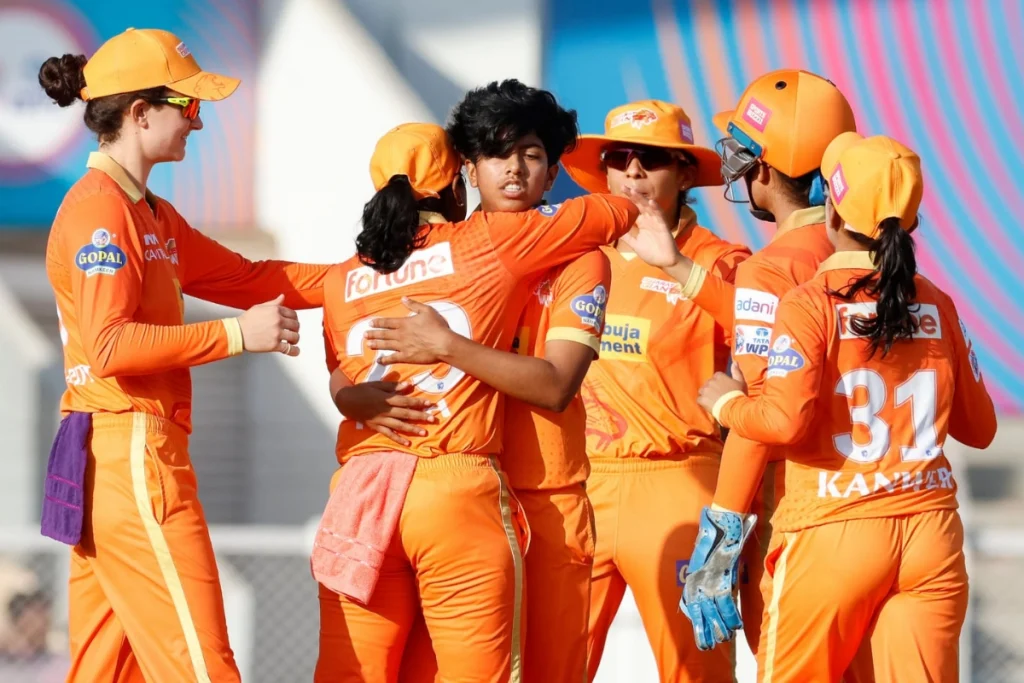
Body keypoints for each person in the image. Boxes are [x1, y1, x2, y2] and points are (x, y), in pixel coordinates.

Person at [38, 28, 331, 682]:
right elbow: (110, 345)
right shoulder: (103, 211)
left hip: (115, 454)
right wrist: (237, 336)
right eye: (189, 105)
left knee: (107, 674)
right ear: (142, 113)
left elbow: (251, 278)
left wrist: (368, 278)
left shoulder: (148, 213)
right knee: (203, 669)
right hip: (129, 453)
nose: (198, 121)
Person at [314, 117, 644, 683]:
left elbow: (342, 367)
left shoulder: (345, 274)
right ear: (463, 175)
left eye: (529, 154)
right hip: (462, 487)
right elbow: (616, 211)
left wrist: (349, 396)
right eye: (495, 155)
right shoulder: (482, 242)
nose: (512, 169)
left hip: (380, 490)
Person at [691, 132, 997, 682]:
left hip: (831, 533)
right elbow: (981, 430)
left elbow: (782, 421)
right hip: (930, 535)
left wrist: (728, 403)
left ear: (832, 211)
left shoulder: (810, 301)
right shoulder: (938, 301)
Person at [636, 70, 857, 655]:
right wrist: (680, 267)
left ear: (763, 169)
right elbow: (773, 311)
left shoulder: (771, 265)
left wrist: (723, 530)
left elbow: (761, 414)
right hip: (877, 507)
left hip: (797, 509)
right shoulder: (866, 256)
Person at [557, 99, 750, 682]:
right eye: (619, 157)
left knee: (698, 671)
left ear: (686, 173)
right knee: (549, 667)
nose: (633, 171)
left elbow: (772, 343)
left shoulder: (720, 261)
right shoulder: (573, 257)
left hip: (678, 480)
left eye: (652, 158)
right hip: (580, 486)